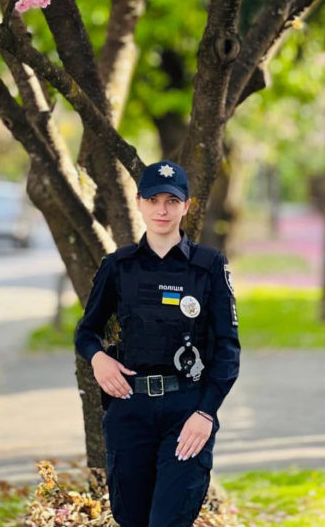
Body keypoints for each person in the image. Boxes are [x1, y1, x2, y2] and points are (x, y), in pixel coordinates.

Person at [74, 159, 241, 527]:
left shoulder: (208, 266)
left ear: (187, 206)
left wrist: (206, 413)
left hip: (186, 413)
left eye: (171, 200)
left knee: (168, 520)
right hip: (129, 410)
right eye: (153, 200)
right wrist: (98, 358)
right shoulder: (118, 266)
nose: (161, 210)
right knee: (130, 519)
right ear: (138, 202)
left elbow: (228, 349)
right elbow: (86, 332)